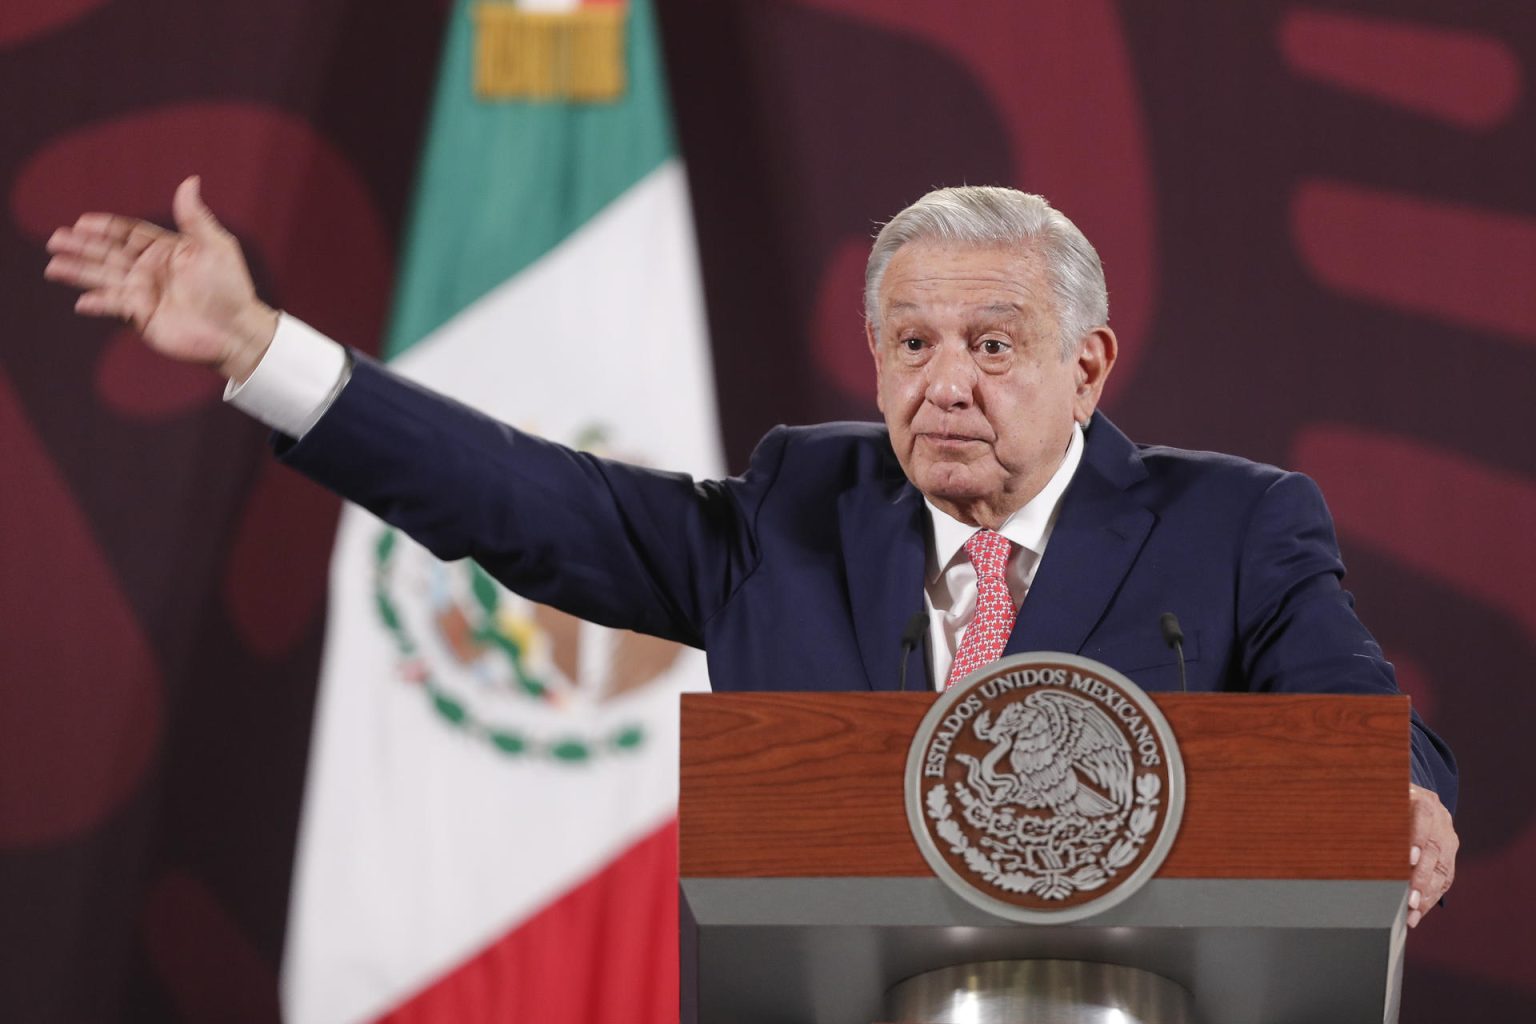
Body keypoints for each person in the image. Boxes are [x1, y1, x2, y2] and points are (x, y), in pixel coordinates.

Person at [43, 177, 1458, 926]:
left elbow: (1343, 701)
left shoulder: (1229, 525)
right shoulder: (796, 509)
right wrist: (256, 348)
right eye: (910, 345)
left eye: (990, 346)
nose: (942, 384)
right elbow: (523, 501)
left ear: (1086, 368)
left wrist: (1400, 795)